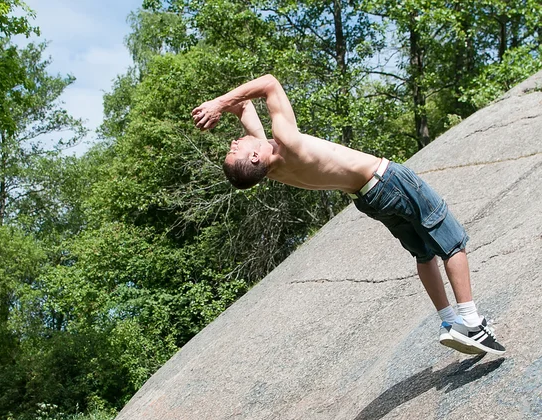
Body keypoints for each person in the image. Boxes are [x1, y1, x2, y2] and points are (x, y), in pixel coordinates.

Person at [192, 74, 505, 355]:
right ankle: (473, 323)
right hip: (387, 179)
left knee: (423, 254)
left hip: (369, 199)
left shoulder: (272, 170)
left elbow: (245, 107)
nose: (233, 142)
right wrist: (220, 102)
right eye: (235, 150)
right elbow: (270, 83)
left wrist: (225, 107)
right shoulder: (287, 142)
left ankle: (449, 322)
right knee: (451, 242)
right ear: (256, 156)